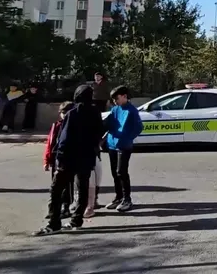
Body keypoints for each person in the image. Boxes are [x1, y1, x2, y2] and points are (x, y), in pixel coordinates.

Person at [34, 85, 104, 236]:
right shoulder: (95, 113)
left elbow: (64, 139)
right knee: (82, 188)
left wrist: (59, 157)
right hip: (87, 157)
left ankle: (54, 223)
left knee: (56, 189)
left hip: (70, 158)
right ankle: (76, 220)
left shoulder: (73, 114)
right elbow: (99, 134)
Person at [103, 85, 143, 212]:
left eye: (117, 98)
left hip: (124, 145)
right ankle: (118, 197)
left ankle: (127, 199)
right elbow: (109, 124)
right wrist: (103, 137)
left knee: (121, 172)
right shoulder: (115, 109)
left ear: (125, 96)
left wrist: (127, 137)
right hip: (112, 144)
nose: (115, 101)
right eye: (113, 99)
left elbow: (139, 127)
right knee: (115, 173)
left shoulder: (132, 110)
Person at [44, 102, 75, 219]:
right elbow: (50, 143)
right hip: (56, 158)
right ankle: (54, 210)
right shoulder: (56, 125)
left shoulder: (74, 126)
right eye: (62, 113)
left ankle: (66, 207)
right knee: (55, 186)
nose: (64, 115)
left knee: (67, 186)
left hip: (68, 159)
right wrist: (47, 160)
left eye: (66, 112)